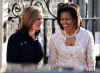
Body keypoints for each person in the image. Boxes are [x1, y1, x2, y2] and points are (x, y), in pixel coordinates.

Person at [48, 2, 96, 71]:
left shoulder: (87, 35)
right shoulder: (54, 37)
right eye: (61, 19)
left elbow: (91, 62)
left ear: (75, 19)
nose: (64, 22)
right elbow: (52, 63)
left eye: (67, 19)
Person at [6, 6, 44, 71]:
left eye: (41, 19)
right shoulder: (15, 38)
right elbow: (11, 65)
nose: (41, 21)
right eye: (38, 19)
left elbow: (38, 59)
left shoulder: (37, 37)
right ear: (29, 20)